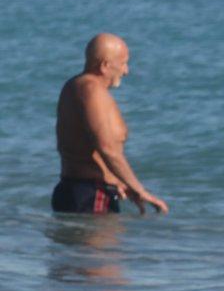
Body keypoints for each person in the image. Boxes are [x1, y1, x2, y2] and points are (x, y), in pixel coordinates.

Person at [53, 33, 168, 215]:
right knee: (105, 235)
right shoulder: (92, 91)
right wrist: (140, 190)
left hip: (75, 190)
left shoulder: (75, 86)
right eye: (123, 63)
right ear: (105, 65)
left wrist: (119, 182)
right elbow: (107, 148)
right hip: (91, 195)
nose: (126, 71)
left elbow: (84, 146)